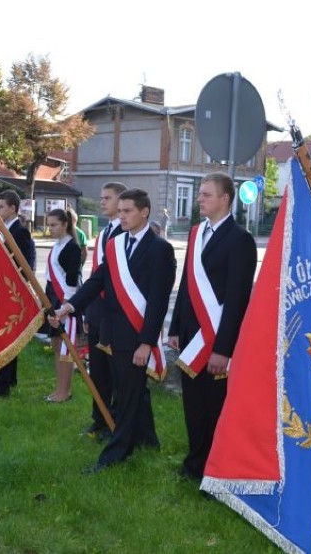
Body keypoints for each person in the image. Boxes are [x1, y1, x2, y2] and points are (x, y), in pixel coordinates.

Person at [53, 188, 176, 473]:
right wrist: (69, 307)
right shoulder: (117, 244)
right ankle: (147, 439)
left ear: (144, 212)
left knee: (128, 393)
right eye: (119, 211)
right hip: (113, 330)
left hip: (137, 334)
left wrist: (147, 343)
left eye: (127, 211)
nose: (121, 216)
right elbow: (97, 281)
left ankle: (116, 453)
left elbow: (158, 301)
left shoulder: (160, 249)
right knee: (130, 388)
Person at [167, 172, 257, 481]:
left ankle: (218, 469)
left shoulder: (241, 240)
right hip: (192, 337)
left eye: (206, 194)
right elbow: (186, 285)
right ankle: (195, 463)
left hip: (218, 341)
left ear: (225, 199)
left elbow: (237, 300)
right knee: (193, 405)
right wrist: (176, 327)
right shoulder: (195, 233)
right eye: (200, 194)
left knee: (215, 408)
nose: (199, 199)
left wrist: (223, 349)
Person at [82, 182, 127, 441]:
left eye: (108, 198)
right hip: (98, 311)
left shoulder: (123, 232)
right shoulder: (103, 233)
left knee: (115, 373)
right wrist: (89, 312)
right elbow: (95, 276)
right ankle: (99, 419)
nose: (102, 202)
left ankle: (115, 422)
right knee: (97, 370)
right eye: (101, 197)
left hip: (116, 313)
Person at [0, 190, 37, 399]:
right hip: (1, 290)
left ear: (13, 208)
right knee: (5, 336)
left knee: (4, 337)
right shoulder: (3, 229)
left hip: (10, 292)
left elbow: (22, 265)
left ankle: (2, 385)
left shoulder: (19, 232)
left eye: (1, 206)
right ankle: (9, 378)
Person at [44, 208, 83, 403]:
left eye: (54, 225)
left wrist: (66, 306)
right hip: (52, 298)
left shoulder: (72, 247)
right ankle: (59, 388)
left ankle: (65, 391)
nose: (50, 229)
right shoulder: (56, 246)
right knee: (56, 344)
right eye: (48, 225)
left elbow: (71, 279)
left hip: (65, 300)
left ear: (65, 224)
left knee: (66, 347)